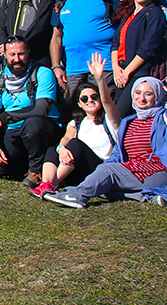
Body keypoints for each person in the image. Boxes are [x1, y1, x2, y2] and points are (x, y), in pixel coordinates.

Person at [44, 75, 167, 209]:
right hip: (133, 170)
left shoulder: (166, 117)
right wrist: (104, 168)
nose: (142, 98)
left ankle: (77, 196)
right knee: (103, 183)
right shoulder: (129, 121)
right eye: (138, 93)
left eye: (148, 94)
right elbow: (119, 152)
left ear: (157, 95)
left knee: (107, 174)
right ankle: (150, 196)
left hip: (159, 171)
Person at [28, 53, 119, 197]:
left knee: (76, 144)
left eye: (94, 97)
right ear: (79, 104)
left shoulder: (110, 120)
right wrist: (61, 148)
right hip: (76, 171)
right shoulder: (76, 123)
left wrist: (99, 79)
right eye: (84, 98)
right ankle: (46, 183)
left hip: (99, 171)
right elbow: (65, 138)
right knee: (53, 149)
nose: (90, 100)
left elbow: (108, 102)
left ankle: (52, 186)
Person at [0, 37, 59, 184]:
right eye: (12, 55)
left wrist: (6, 117)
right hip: (14, 131)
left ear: (28, 52)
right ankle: (26, 165)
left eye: (21, 54)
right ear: (5, 55)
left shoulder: (43, 73)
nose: (17, 59)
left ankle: (36, 172)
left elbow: (41, 109)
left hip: (44, 128)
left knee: (33, 124)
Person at [49, 0, 118, 107]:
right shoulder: (62, 1)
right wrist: (56, 66)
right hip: (74, 68)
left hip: (104, 66)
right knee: (76, 109)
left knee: (105, 106)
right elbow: (56, 37)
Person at [110, 0, 167, 116]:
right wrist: (116, 69)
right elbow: (116, 42)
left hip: (139, 74)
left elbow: (148, 48)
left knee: (119, 115)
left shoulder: (154, 13)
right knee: (123, 119)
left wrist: (127, 72)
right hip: (121, 72)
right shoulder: (128, 13)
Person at [0, 0, 56, 66]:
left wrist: (17, 45)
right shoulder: (9, 0)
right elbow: (0, 25)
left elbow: (40, 26)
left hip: (37, 58)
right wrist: (5, 44)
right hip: (13, 59)